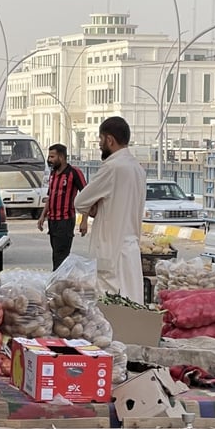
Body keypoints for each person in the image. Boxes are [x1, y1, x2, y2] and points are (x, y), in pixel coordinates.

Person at [74, 116, 147, 303]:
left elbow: (80, 201)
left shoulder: (112, 167)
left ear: (109, 140)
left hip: (110, 252)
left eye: (100, 139)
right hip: (130, 250)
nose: (99, 144)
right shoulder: (138, 169)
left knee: (110, 310)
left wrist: (95, 207)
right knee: (132, 305)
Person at [37, 143, 87, 271]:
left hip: (65, 220)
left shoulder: (74, 173)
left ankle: (58, 283)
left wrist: (84, 221)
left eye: (52, 157)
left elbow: (87, 196)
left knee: (61, 257)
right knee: (56, 255)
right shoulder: (53, 174)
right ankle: (58, 281)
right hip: (53, 221)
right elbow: (50, 196)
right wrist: (43, 216)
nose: (50, 160)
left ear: (61, 157)